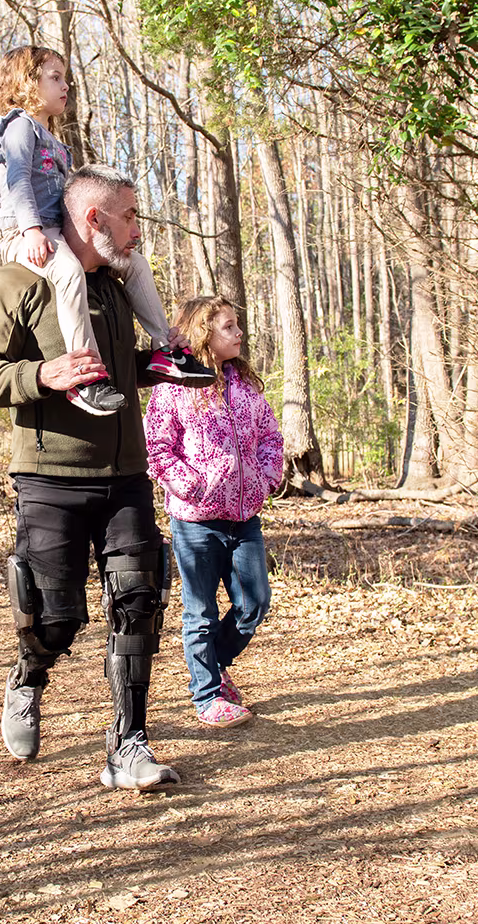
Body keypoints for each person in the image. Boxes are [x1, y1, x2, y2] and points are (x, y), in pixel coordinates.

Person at [0, 163, 190, 791]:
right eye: (130, 216)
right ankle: (28, 676)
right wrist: (44, 375)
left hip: (125, 477)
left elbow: (118, 370)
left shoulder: (116, 290)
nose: (138, 230)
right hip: (50, 479)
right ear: (95, 219)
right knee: (55, 618)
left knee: (140, 601)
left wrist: (164, 367)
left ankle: (128, 746)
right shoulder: (17, 282)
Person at [0, 45, 213, 416]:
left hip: (56, 232)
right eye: (55, 78)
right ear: (28, 82)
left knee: (135, 263)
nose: (65, 86)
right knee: (69, 272)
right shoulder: (18, 126)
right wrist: (30, 231)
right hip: (23, 232)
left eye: (65, 79)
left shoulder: (55, 140)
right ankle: (86, 376)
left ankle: (167, 351)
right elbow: (17, 182)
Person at [144, 296, 283, 728]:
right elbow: (158, 449)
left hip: (244, 519)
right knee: (199, 612)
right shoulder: (174, 387)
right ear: (205, 334)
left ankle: (214, 666)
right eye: (228, 327)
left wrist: (264, 480)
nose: (238, 333)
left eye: (237, 325)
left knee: (254, 603)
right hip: (195, 522)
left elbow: (270, 439)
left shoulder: (245, 386)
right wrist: (196, 487)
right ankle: (207, 697)